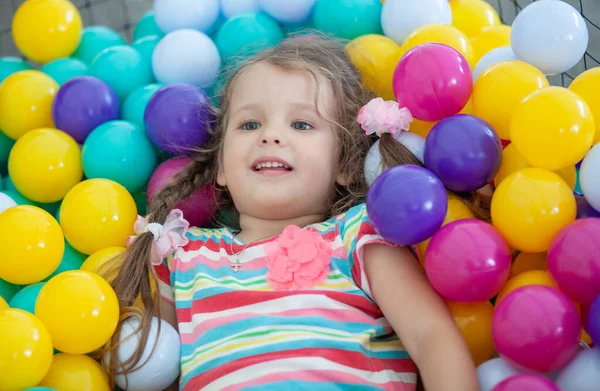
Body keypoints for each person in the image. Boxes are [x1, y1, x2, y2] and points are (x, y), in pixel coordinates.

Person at [104, 37, 489, 391]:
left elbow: (430, 336)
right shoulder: (182, 255)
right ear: (220, 166)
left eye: (301, 124)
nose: (269, 136)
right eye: (249, 124)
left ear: (343, 162)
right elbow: (147, 368)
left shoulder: (359, 237)